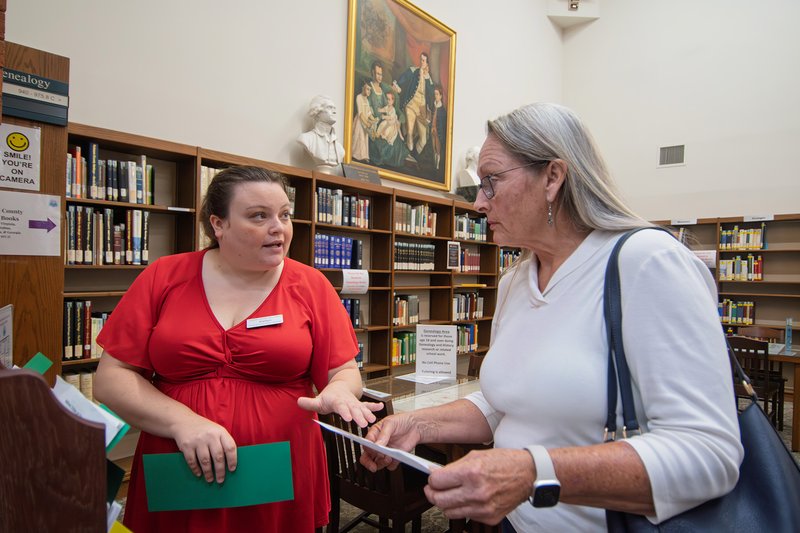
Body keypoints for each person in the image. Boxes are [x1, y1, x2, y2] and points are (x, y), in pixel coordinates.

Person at [361, 103, 743, 531]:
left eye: (490, 183)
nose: (479, 204)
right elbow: (503, 403)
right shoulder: (514, 281)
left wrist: (531, 473)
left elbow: (709, 452)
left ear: (553, 177)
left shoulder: (646, 263)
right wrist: (419, 423)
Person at [94, 165, 383, 532]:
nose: (278, 228)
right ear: (218, 224)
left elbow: (343, 371)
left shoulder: (311, 285)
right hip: (180, 466)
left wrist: (340, 391)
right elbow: (111, 378)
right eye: (258, 216)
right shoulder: (163, 277)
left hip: (278, 469)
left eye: (284, 215)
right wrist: (183, 422)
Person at [394, 51, 435, 155]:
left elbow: (431, 96)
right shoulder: (413, 71)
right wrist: (397, 85)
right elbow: (403, 78)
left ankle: (413, 155)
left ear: (427, 64)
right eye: (420, 59)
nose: (421, 62)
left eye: (423, 60)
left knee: (423, 140)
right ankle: (408, 150)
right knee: (410, 132)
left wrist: (426, 76)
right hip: (411, 104)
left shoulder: (429, 80)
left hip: (421, 109)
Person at [297, 94, 345, 173]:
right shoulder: (306, 139)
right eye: (329, 107)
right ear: (317, 113)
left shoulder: (340, 149)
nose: (334, 111)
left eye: (334, 108)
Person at [351, 80, 378, 162]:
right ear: (363, 88)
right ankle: (355, 154)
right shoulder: (359, 97)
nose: (368, 91)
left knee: (365, 138)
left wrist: (374, 119)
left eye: (370, 90)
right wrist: (367, 123)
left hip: (365, 122)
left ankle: (364, 155)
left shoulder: (367, 100)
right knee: (359, 137)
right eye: (367, 89)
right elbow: (361, 113)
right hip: (360, 121)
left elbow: (369, 113)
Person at [431, 85, 447, 170]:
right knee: (433, 147)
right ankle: (434, 163)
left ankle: (437, 164)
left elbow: (441, 125)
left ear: (440, 96)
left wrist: (438, 130)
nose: (436, 96)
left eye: (437, 94)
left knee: (438, 148)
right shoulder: (433, 105)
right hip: (432, 130)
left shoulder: (442, 110)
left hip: (438, 132)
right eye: (435, 94)